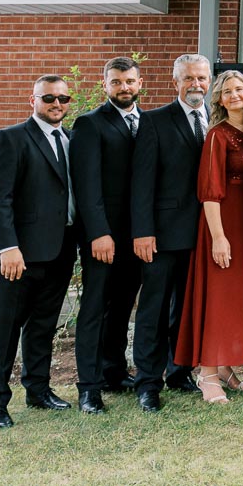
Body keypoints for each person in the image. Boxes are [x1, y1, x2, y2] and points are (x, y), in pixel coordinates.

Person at [0, 78, 76, 428]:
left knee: (42, 327)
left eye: (63, 97)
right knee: (4, 329)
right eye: (49, 97)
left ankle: (38, 389)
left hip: (61, 250)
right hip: (16, 255)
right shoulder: (10, 138)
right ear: (33, 99)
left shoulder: (70, 139)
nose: (56, 103)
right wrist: (7, 247)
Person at [130, 53, 211, 412]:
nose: (196, 85)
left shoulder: (218, 119)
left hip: (204, 234)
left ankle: (179, 372)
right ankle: (147, 382)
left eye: (202, 78)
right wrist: (143, 231)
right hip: (161, 235)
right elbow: (142, 182)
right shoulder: (154, 121)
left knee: (187, 308)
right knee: (154, 309)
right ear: (175, 82)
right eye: (189, 78)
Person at [174, 71, 243, 404]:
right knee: (217, 297)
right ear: (220, 99)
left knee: (237, 299)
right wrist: (218, 237)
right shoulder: (217, 136)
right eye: (227, 91)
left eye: (239, 89)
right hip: (222, 223)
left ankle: (224, 366)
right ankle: (207, 372)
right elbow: (209, 192)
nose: (234, 95)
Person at [70, 56, 145, 413]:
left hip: (137, 237)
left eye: (129, 81)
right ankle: (88, 388)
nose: (124, 88)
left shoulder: (147, 122)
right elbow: (87, 186)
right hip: (103, 237)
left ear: (139, 83)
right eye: (116, 82)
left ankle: (114, 372)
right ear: (105, 86)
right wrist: (99, 232)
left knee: (121, 307)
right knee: (95, 308)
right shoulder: (89, 124)